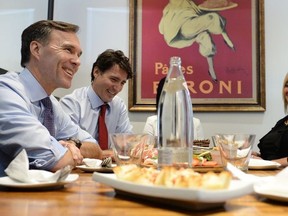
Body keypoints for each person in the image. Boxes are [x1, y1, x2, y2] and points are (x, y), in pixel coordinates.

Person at [0, 20, 102, 172]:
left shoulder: (50, 104)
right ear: (36, 50)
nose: (77, 62)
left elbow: (96, 149)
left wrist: (73, 144)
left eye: (78, 54)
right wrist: (62, 151)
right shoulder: (5, 91)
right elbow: (57, 161)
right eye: (68, 50)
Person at [60, 49, 133, 158]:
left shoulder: (118, 105)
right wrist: (103, 154)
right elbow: (68, 147)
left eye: (122, 83)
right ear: (96, 72)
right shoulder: (71, 104)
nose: (117, 88)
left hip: (111, 170)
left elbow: (127, 145)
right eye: (113, 79)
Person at [159, 0, 235, 82]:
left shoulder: (188, 4)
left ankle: (211, 69)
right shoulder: (176, 4)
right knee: (213, 17)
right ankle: (226, 38)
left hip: (190, 24)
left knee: (205, 37)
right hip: (184, 28)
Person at [257, 73, 288, 166]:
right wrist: (254, 156)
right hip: (271, 176)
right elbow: (274, 155)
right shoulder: (282, 122)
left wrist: (267, 164)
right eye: (287, 85)